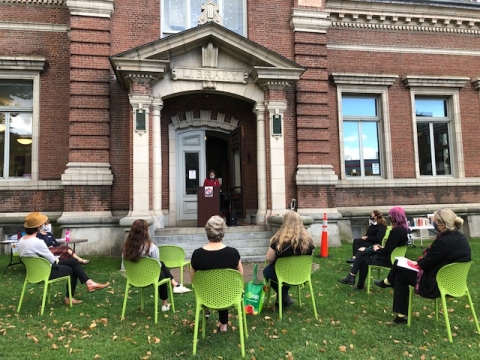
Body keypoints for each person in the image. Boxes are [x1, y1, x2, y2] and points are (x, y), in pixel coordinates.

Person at [374, 208, 471, 324]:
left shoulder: (443, 241)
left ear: (443, 225)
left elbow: (426, 264)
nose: (433, 224)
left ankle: (388, 282)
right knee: (400, 275)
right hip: (456, 283)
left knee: (398, 264)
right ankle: (401, 315)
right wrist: (420, 262)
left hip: (437, 284)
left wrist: (419, 262)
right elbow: (434, 260)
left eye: (435, 222)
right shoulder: (460, 238)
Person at [18, 212, 110, 305]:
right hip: (45, 272)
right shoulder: (38, 242)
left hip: (32, 273)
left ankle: (89, 283)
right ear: (38, 227)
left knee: (73, 262)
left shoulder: (21, 240)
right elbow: (52, 260)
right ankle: (71, 296)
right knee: (73, 269)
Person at [123, 220, 192, 312]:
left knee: (162, 265)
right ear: (145, 231)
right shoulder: (150, 247)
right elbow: (157, 263)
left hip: (134, 277)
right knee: (162, 271)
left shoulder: (126, 247)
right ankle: (165, 302)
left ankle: (176, 285)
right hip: (150, 277)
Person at [190, 215, 243, 332]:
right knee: (224, 286)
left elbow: (194, 280)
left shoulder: (197, 254)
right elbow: (240, 277)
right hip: (229, 295)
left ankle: (207, 311)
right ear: (223, 232)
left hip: (205, 295)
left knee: (218, 287)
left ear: (207, 231)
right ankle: (224, 325)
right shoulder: (233, 253)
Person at [338, 206, 409, 290]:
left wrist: (377, 249)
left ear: (395, 217)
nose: (390, 218)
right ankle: (353, 279)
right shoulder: (404, 230)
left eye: (391, 216)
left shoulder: (396, 231)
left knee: (363, 256)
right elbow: (392, 247)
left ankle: (353, 278)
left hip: (388, 259)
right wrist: (380, 247)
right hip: (393, 257)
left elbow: (387, 250)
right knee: (362, 252)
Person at [263, 211, 315, 308]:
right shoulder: (308, 241)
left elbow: (269, 259)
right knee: (281, 271)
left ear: (284, 223)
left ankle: (283, 296)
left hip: (283, 273)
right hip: (302, 274)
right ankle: (283, 297)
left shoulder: (278, 240)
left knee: (267, 271)